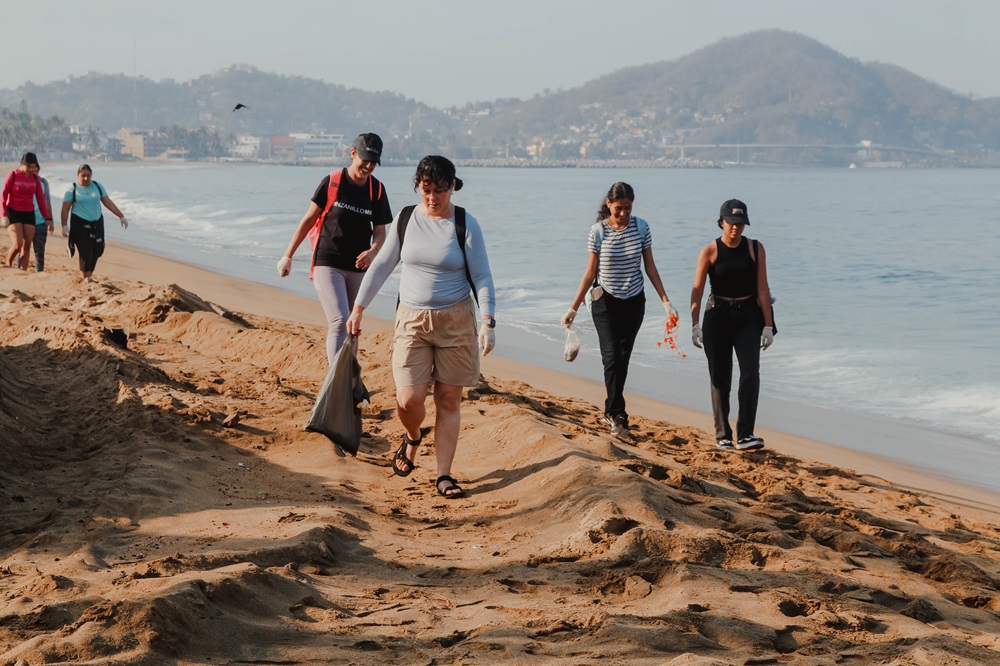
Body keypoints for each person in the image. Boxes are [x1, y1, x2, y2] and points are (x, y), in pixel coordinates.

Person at [346, 155, 496, 499]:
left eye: (440, 190)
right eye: (426, 189)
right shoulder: (406, 219)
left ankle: (444, 475)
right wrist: (358, 309)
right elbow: (381, 267)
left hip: (456, 321)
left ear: (453, 187)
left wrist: (488, 321)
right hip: (412, 320)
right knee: (408, 399)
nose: (432, 197)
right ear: (419, 187)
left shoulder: (465, 223)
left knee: (448, 399)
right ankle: (413, 437)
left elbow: (483, 276)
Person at [561, 182, 678, 436]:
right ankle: (617, 413)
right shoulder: (597, 231)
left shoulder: (642, 227)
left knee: (622, 358)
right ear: (608, 204)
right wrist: (573, 308)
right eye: (618, 209)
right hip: (605, 302)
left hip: (634, 302)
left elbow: (650, 267)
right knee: (612, 356)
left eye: (628, 208)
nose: (623, 213)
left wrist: (666, 302)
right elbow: (590, 272)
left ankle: (612, 410)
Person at [277, 133, 391, 364]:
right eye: (365, 159)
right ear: (353, 153)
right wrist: (287, 256)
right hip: (328, 262)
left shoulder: (377, 190)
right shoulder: (333, 181)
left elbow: (380, 231)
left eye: (373, 162)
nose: (368, 166)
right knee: (339, 321)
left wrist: (373, 251)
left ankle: (348, 376)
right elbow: (308, 220)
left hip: (358, 267)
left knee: (353, 324)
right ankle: (335, 377)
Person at [690, 199, 774, 451]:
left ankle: (746, 434)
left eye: (740, 223)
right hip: (717, 316)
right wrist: (695, 324)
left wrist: (768, 326)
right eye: (731, 223)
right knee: (720, 376)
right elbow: (697, 289)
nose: (736, 227)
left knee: (750, 372)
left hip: (748, 316)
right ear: (721, 222)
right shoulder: (710, 251)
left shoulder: (755, 249)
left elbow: (763, 288)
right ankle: (723, 435)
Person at [60, 164, 128, 283]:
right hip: (80, 226)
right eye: (83, 175)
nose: (86, 178)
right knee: (86, 253)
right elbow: (65, 208)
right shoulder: (72, 188)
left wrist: (121, 216)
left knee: (97, 251)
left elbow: (108, 202)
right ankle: (86, 279)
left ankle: (88, 276)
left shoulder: (97, 186)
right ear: (78, 175)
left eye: (88, 175)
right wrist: (64, 226)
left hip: (97, 225)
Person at [2, 152, 52, 270]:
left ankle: (22, 270)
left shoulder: (35, 178)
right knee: (18, 244)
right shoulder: (13, 175)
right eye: (29, 166)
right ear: (22, 164)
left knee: (27, 244)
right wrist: (3, 215)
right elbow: (3, 196)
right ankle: (8, 263)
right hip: (13, 211)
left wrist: (47, 218)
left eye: (33, 167)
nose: (31, 169)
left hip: (28, 213)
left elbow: (40, 200)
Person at [31, 171, 54, 272]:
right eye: (31, 167)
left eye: (35, 168)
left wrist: (50, 219)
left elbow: (47, 201)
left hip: (41, 221)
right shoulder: (22, 180)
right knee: (23, 248)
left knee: (40, 251)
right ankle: (20, 270)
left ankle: (39, 273)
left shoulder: (43, 182)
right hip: (26, 220)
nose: (33, 170)